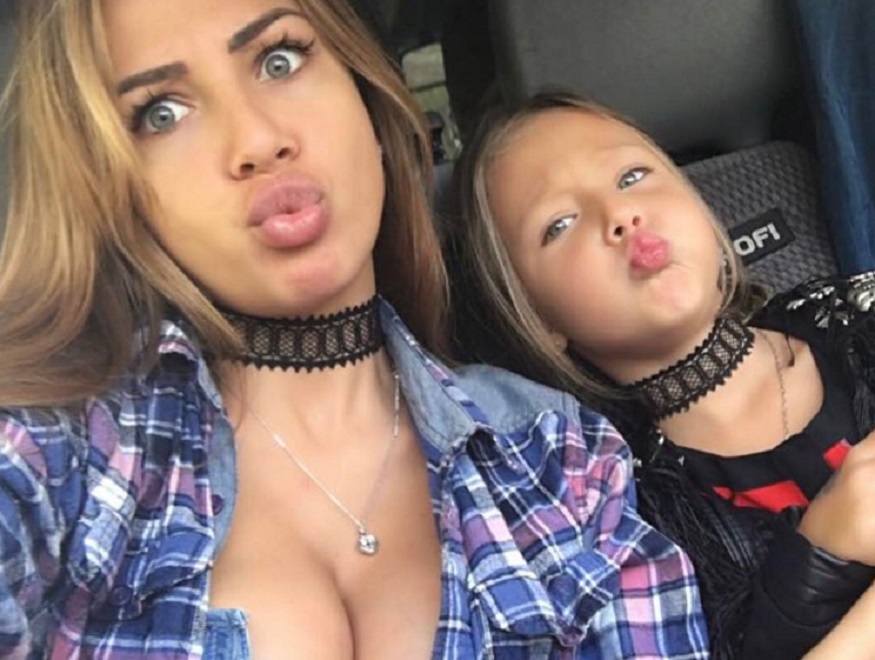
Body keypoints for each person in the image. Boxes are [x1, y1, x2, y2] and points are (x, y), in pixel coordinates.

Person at [0, 2, 710, 658]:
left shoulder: (559, 455)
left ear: (369, 105)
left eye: (279, 60)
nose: (258, 140)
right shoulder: (62, 450)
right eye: (161, 113)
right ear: (117, 196)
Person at [447, 90, 875, 659]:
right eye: (560, 224)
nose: (620, 216)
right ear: (536, 318)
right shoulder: (612, 511)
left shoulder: (859, 319)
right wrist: (820, 559)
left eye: (632, 177)